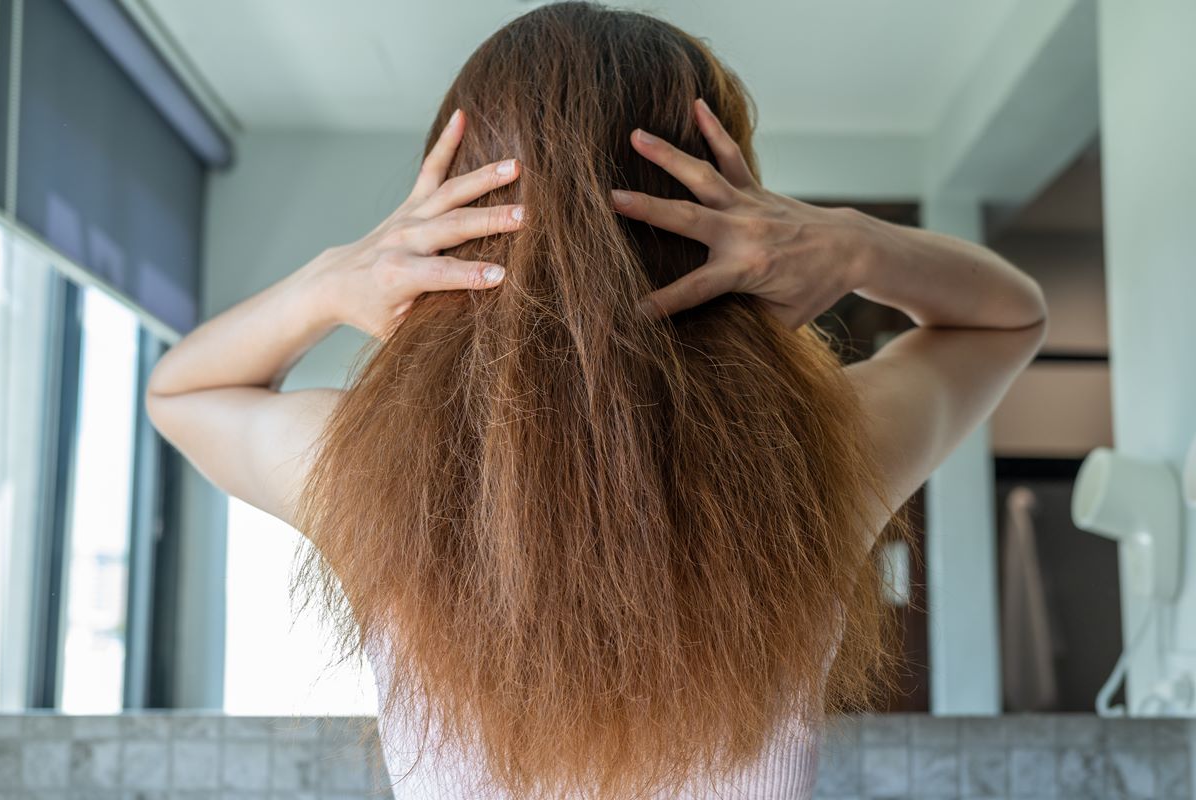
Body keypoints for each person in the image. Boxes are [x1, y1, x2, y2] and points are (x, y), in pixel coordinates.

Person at [146, 3, 1046, 798]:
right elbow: (1007, 320)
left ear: (456, 192)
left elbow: (182, 392)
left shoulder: (367, 473)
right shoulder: (822, 460)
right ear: (723, 203)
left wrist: (332, 279)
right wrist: (852, 246)